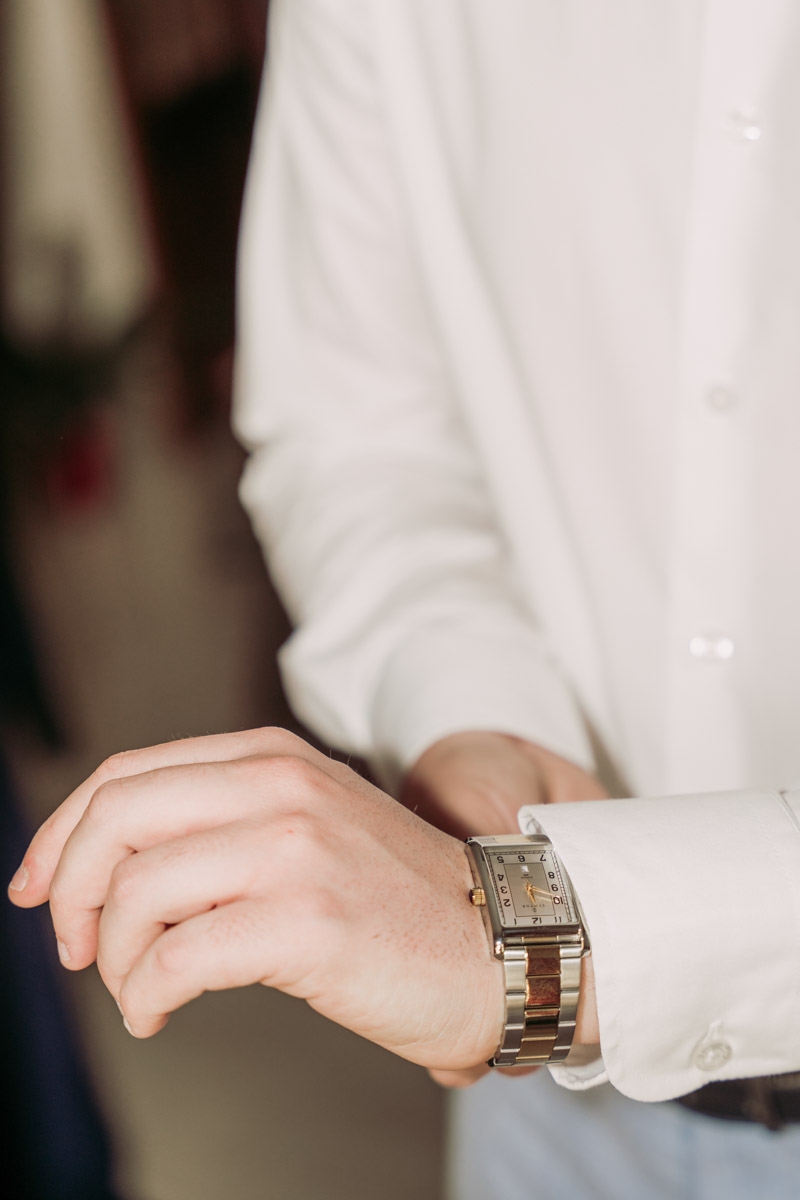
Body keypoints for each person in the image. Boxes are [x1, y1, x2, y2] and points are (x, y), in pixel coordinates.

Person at [9, 2, 800, 1197]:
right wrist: (468, 709)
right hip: (544, 1106)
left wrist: (545, 945)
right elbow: (357, 430)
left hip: (514, 986)